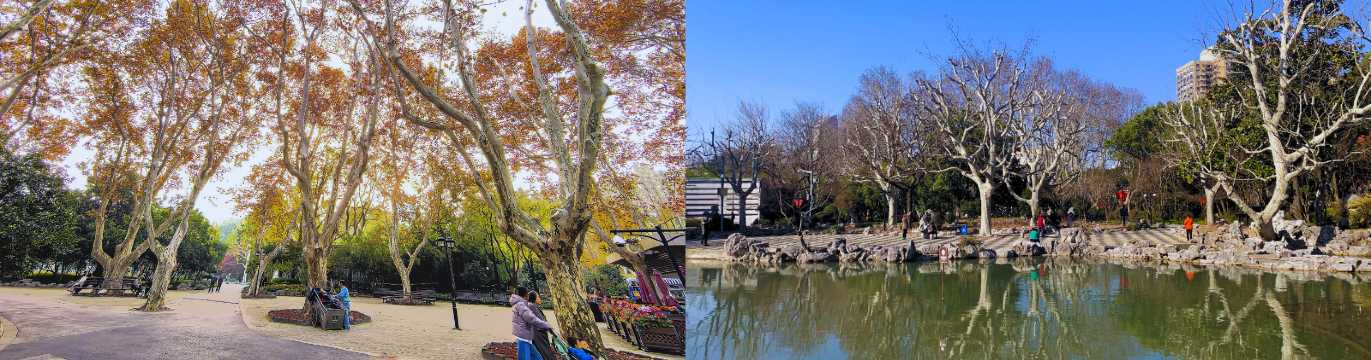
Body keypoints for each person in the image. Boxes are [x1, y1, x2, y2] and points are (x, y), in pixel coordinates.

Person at [510, 287, 553, 360]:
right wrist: (547, 325)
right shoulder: (523, 305)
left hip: (527, 336)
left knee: (537, 358)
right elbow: (532, 319)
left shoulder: (523, 304)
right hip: (524, 337)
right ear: (525, 295)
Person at [526, 292, 557, 360]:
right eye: (538, 297)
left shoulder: (529, 306)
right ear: (534, 298)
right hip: (538, 334)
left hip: (533, 333)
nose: (540, 299)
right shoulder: (532, 306)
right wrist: (552, 332)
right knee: (545, 352)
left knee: (539, 352)